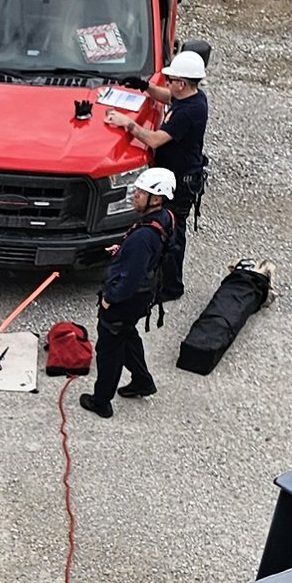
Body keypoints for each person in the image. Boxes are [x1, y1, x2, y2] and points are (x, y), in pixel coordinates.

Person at [79, 168, 177, 417]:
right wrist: (122, 250)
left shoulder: (143, 237)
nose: (135, 195)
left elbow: (131, 278)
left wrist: (110, 299)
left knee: (109, 348)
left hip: (126, 299)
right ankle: (143, 381)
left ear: (156, 199)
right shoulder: (164, 218)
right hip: (142, 296)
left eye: (141, 193)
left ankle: (101, 401)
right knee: (127, 336)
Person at [125, 50, 208, 224]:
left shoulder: (189, 112)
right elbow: (168, 97)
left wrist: (128, 123)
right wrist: (144, 86)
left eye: (170, 81)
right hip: (176, 175)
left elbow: (155, 140)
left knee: (172, 228)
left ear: (182, 84)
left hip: (180, 184)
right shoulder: (192, 97)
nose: (167, 84)